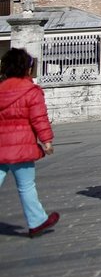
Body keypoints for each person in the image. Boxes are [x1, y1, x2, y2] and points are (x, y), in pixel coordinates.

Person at [0, 48, 59, 238]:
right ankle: (36, 221)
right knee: (26, 186)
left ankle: (37, 220)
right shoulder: (31, 91)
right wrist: (47, 141)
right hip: (22, 147)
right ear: (27, 68)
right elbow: (38, 118)